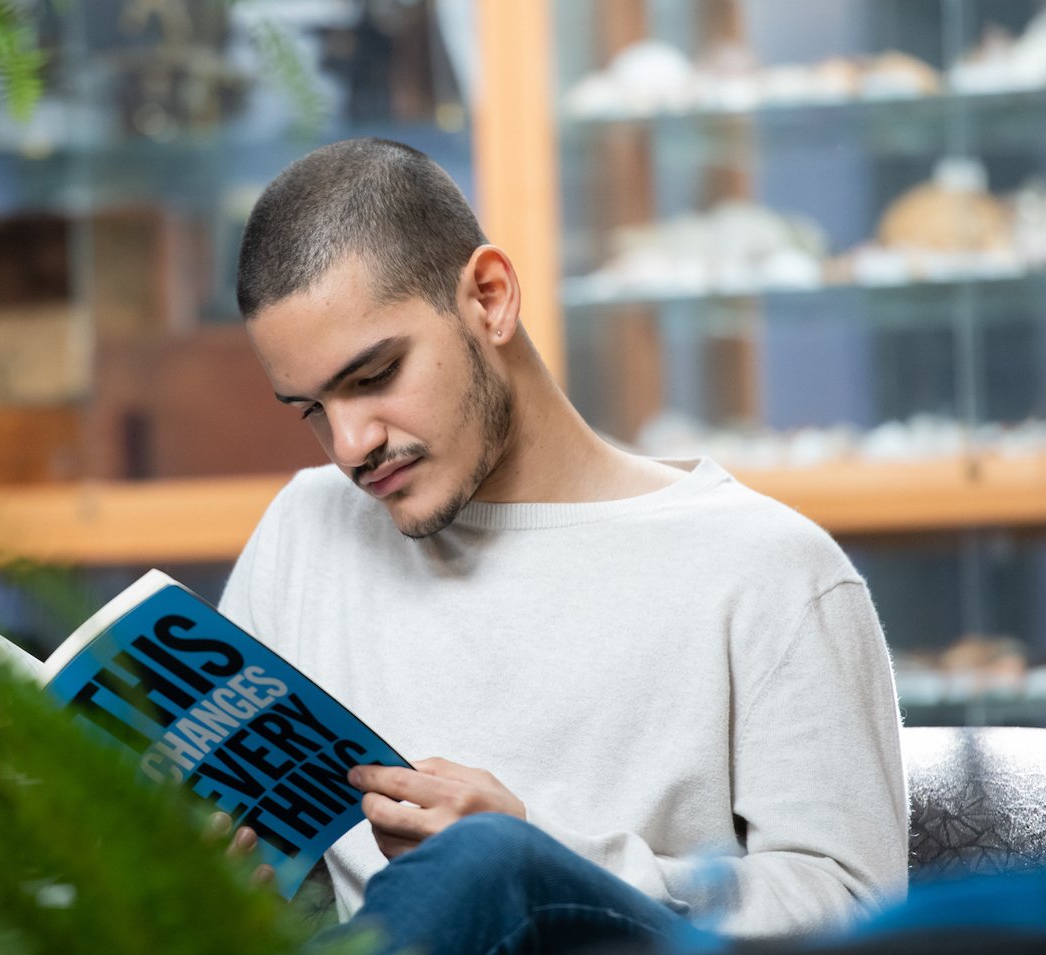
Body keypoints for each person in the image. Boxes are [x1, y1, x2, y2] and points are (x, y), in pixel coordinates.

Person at [217, 137, 908, 953]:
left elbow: (855, 904)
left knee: (487, 862)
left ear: (489, 296)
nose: (349, 443)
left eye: (373, 377)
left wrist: (545, 853)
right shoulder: (305, 532)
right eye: (310, 409)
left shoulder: (767, 570)